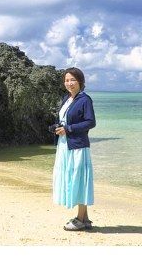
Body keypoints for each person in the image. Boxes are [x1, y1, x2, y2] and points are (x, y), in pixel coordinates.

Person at [52, 67, 96, 231]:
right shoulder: (67, 98)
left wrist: (68, 129)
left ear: (80, 82)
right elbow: (65, 119)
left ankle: (80, 219)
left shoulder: (85, 100)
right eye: (66, 80)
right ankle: (85, 219)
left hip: (78, 146)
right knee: (74, 178)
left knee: (79, 179)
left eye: (73, 80)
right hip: (65, 145)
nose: (69, 83)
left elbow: (90, 122)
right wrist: (58, 127)